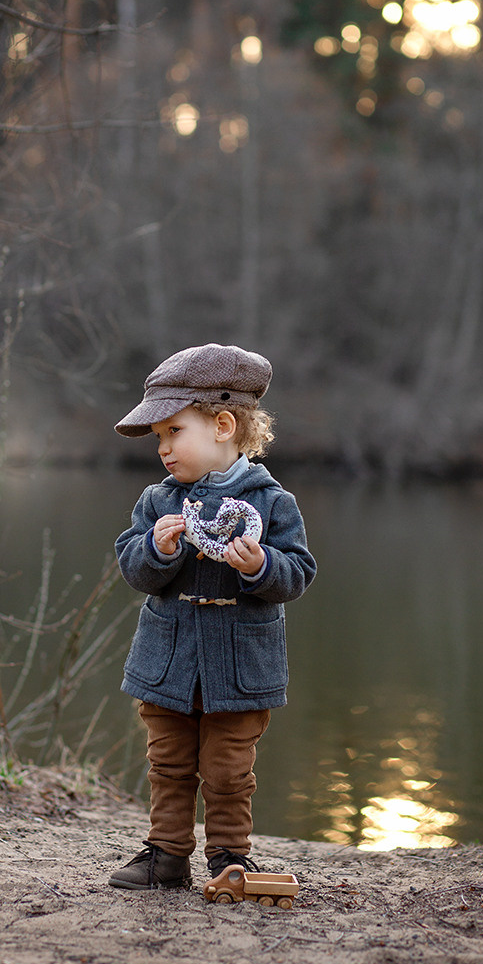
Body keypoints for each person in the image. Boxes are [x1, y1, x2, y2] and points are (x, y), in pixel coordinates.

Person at [109, 343, 316, 891]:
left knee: (228, 770)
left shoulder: (272, 503)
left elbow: (298, 573)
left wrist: (260, 565)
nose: (163, 448)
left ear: (223, 426)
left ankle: (229, 858)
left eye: (174, 431)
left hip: (240, 666)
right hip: (168, 661)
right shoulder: (158, 502)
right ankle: (166, 854)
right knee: (168, 764)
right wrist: (155, 550)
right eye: (158, 437)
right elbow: (133, 568)